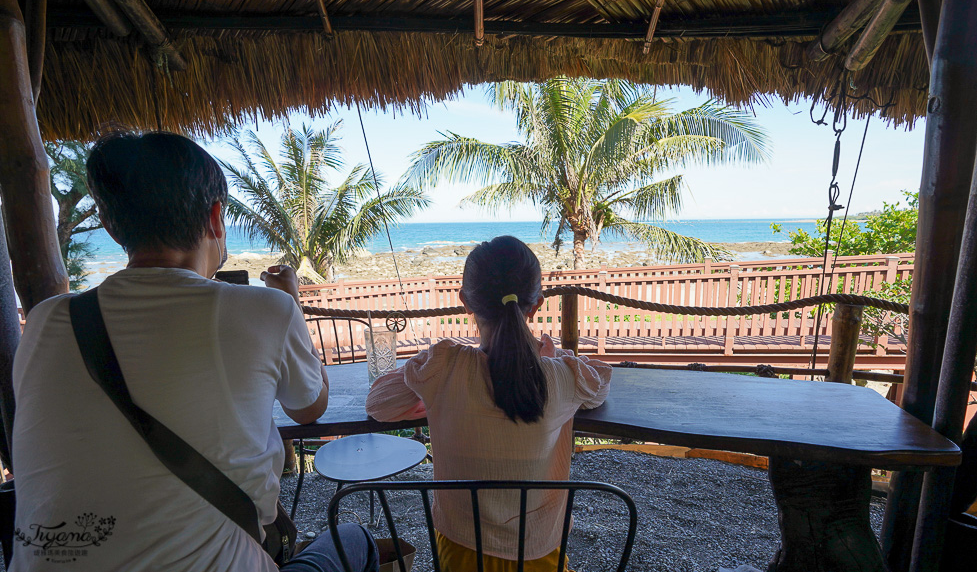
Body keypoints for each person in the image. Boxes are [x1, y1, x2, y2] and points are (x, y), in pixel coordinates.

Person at [10, 132, 377, 572]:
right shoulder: (265, 310)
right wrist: (291, 304)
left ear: (112, 226)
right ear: (216, 218)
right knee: (355, 539)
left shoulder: (46, 322)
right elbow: (309, 406)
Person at [366, 235, 612, 572]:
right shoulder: (562, 377)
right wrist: (553, 357)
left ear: (465, 302)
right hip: (540, 554)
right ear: (536, 304)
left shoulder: (445, 366)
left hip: (462, 553)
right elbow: (600, 382)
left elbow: (378, 403)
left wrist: (431, 394)